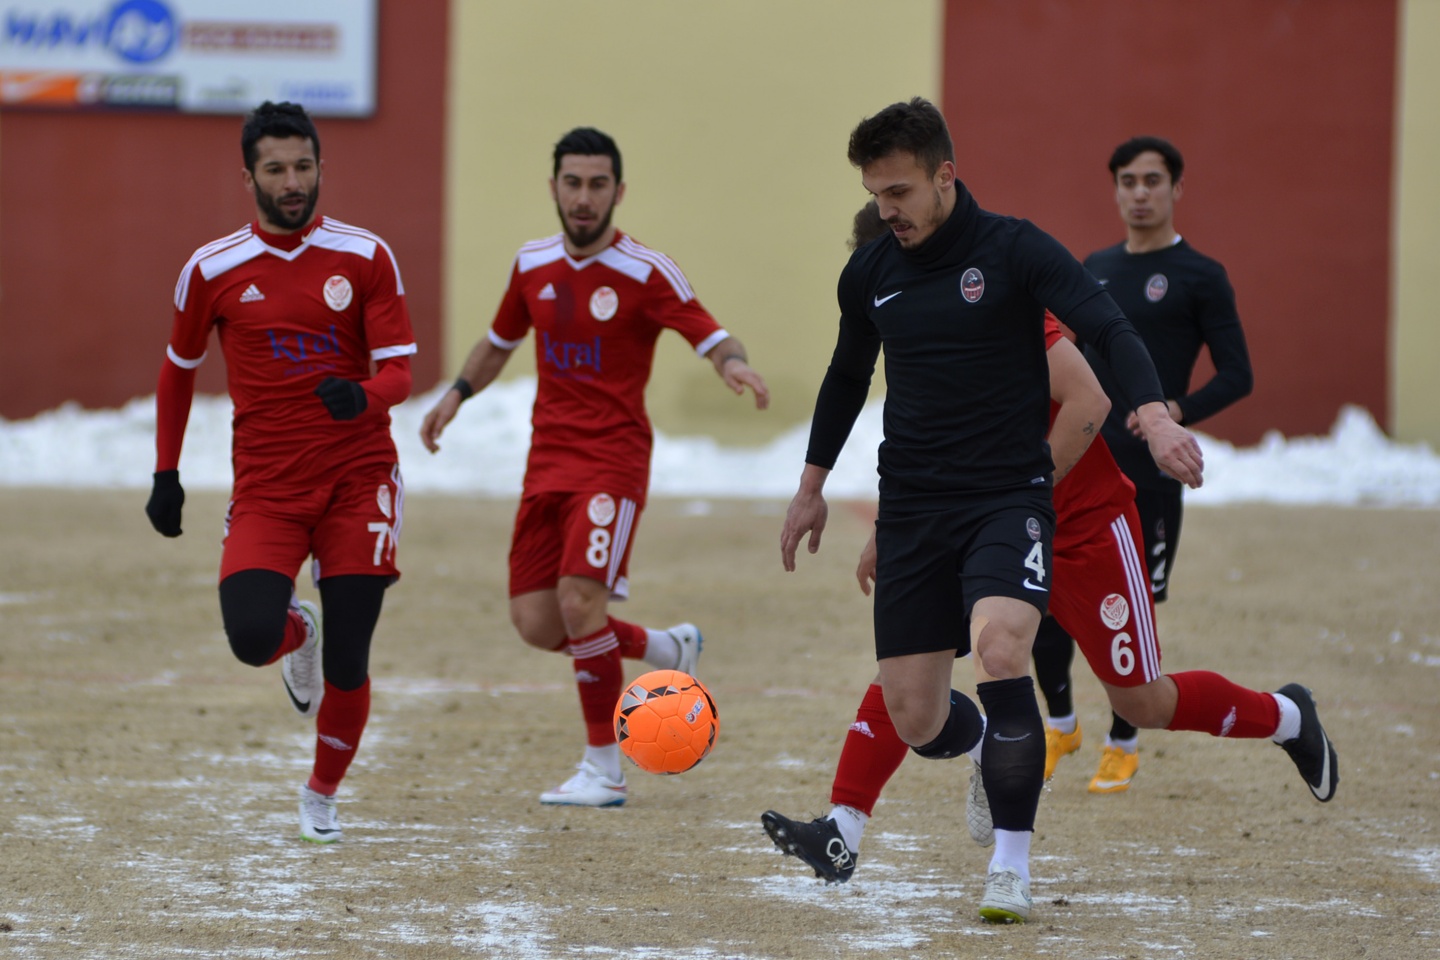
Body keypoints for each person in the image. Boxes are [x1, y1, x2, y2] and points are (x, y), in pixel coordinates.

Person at [763, 212, 1337, 893]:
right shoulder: (905, 324)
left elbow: (1088, 400)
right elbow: (928, 442)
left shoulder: (994, 304)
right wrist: (896, 528)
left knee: (1143, 700)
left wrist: (1019, 493)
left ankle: (1288, 716)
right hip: (974, 524)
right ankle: (845, 827)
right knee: (912, 666)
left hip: (1083, 524)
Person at [778, 97, 1203, 924]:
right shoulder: (871, 271)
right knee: (913, 709)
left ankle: (1010, 867)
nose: (885, 209)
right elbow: (843, 377)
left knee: (1003, 648)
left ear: (945, 176)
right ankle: (978, 747)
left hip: (1008, 496)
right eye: (874, 193)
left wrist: (1151, 415)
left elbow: (1109, 330)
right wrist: (811, 484)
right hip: (913, 505)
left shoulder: (1014, 250)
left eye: (898, 191)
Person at [420, 127, 769, 808]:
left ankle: (604, 769)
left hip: (612, 460)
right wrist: (455, 395)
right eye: (573, 183)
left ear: (619, 191)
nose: (584, 198)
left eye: (598, 184)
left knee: (581, 602)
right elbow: (498, 343)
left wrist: (734, 364)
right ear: (553, 187)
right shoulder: (531, 265)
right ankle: (666, 650)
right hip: (546, 461)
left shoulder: (646, 270)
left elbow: (711, 333)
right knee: (538, 623)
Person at [144, 101, 417, 844]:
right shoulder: (212, 268)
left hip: (359, 478)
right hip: (267, 486)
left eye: (304, 166)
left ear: (321, 167)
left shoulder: (365, 256)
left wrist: (360, 394)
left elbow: (398, 370)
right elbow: (177, 370)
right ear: (249, 177)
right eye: (276, 169)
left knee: (353, 661)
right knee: (250, 636)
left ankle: (321, 794)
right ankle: (302, 628)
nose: (292, 182)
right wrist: (166, 472)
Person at [1032, 136, 1255, 794]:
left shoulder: (1201, 276)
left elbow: (1238, 375)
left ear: (1176, 189)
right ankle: (1061, 724)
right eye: (1127, 181)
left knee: (1129, 611)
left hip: (1149, 477)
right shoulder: (1093, 266)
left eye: (1152, 180)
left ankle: (1122, 739)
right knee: (1044, 605)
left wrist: (1171, 414)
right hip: (1080, 465)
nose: (1139, 192)